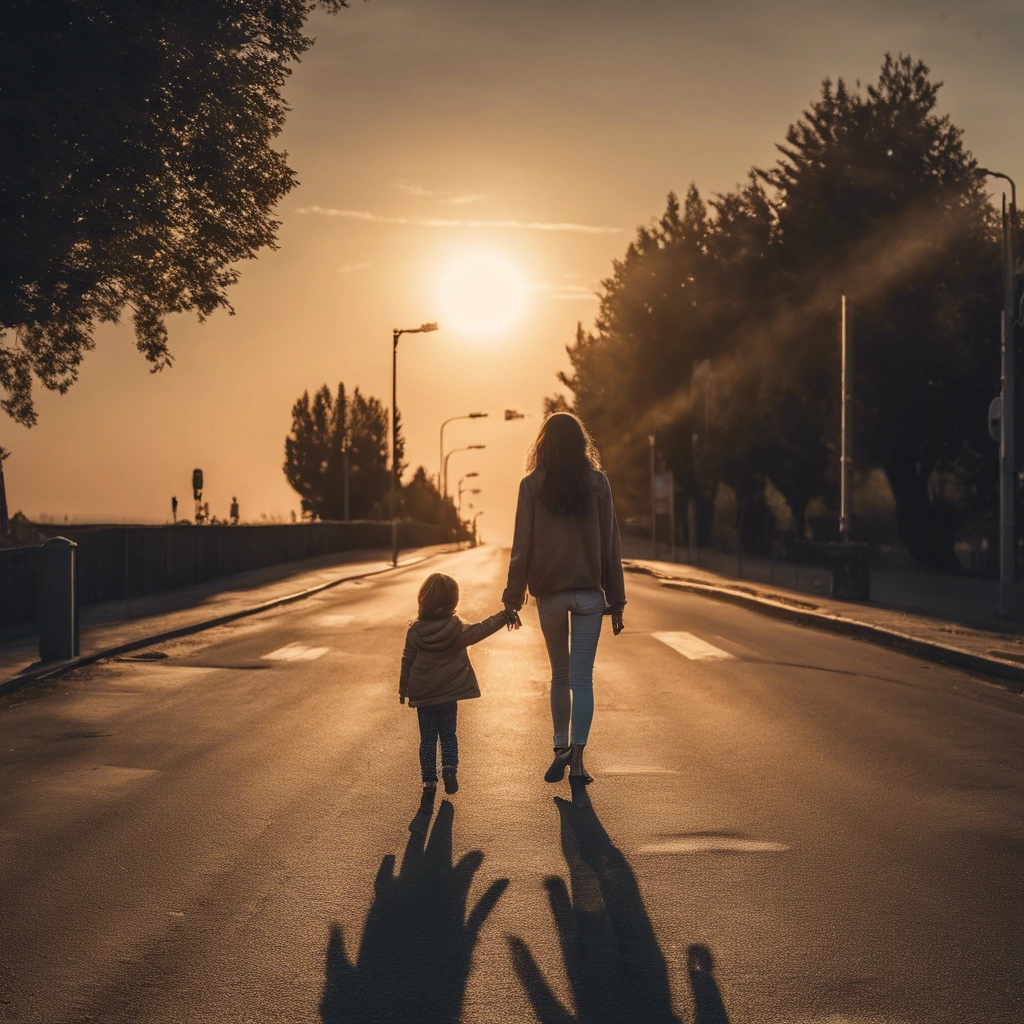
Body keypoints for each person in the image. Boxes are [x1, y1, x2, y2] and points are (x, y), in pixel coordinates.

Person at [502, 412, 625, 808]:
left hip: (551, 595)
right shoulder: (598, 483)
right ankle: (577, 763)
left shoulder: (531, 486)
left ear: (543, 444)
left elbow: (522, 547)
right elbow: (611, 545)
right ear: (579, 443)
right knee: (582, 679)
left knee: (558, 674)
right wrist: (617, 600)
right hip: (589, 594)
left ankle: (559, 746)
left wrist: (512, 598)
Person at [400, 572, 517, 826]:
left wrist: (403, 689)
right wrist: (504, 614)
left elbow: (407, 661)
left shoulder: (415, 633)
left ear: (424, 600)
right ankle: (450, 768)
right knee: (449, 734)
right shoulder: (455, 630)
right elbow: (481, 630)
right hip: (448, 694)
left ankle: (429, 782)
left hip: (424, 697)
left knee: (428, 739)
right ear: (453, 601)